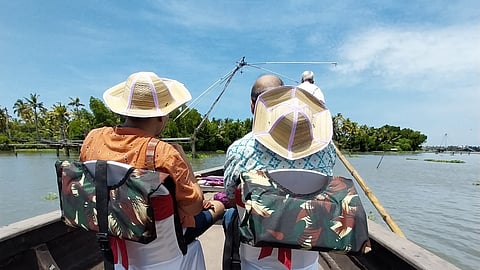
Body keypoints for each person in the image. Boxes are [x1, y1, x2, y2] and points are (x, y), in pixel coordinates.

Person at [79, 71, 225, 269]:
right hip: (164, 254)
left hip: (115, 240)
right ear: (161, 116)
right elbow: (194, 207)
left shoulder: (93, 139)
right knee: (218, 207)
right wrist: (185, 164)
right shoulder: (163, 153)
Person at [223, 74, 336, 270]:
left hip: (255, 260)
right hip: (307, 261)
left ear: (253, 106)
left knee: (230, 215)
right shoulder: (326, 149)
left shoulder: (240, 150)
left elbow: (232, 197)